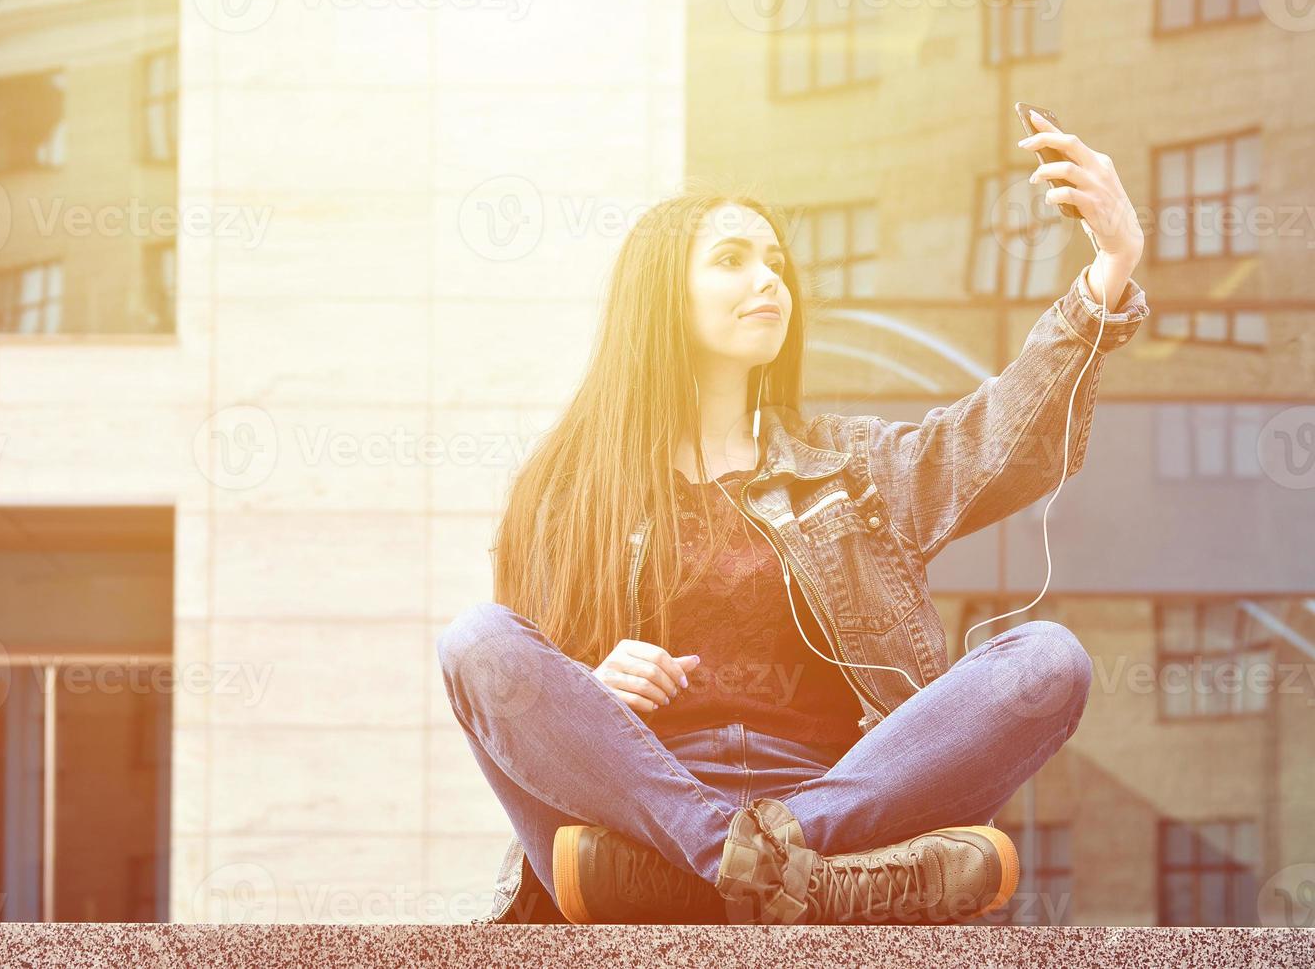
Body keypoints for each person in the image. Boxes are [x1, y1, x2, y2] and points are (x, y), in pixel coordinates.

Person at [437, 127, 1148, 925]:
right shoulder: (566, 491)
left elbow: (993, 443)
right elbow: (530, 695)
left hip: (839, 802)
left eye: (776, 263)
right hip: (636, 824)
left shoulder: (848, 465)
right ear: (659, 294)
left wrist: (1108, 273)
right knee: (473, 641)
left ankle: (755, 862)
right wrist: (594, 686)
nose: (769, 279)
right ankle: (774, 872)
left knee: (1048, 661)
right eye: (733, 259)